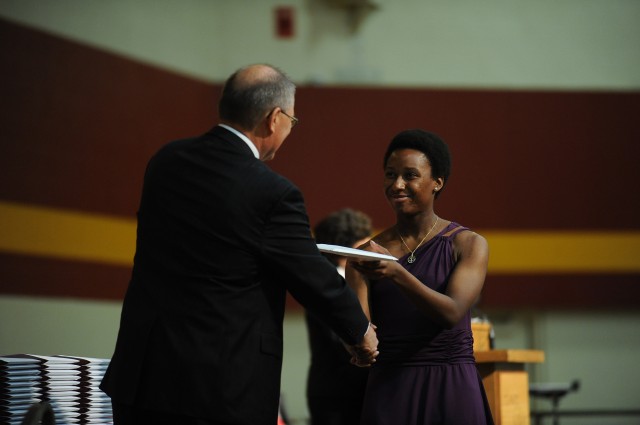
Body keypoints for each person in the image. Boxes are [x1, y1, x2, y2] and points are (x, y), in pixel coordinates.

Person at [99, 64, 378, 425]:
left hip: (142, 378)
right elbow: (311, 275)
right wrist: (360, 331)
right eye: (292, 121)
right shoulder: (272, 193)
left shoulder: (165, 162)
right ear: (274, 118)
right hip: (217, 389)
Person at [347, 129, 494, 425]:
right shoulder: (365, 256)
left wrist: (397, 273)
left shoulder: (467, 244)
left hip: (452, 386)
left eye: (410, 175)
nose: (397, 184)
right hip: (391, 388)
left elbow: (451, 312)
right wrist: (357, 346)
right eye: (390, 175)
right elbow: (360, 332)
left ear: (437, 182)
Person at [305, 208, 373, 425]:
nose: (371, 250)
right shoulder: (328, 284)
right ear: (348, 249)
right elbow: (341, 338)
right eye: (364, 245)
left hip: (354, 391)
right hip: (337, 395)